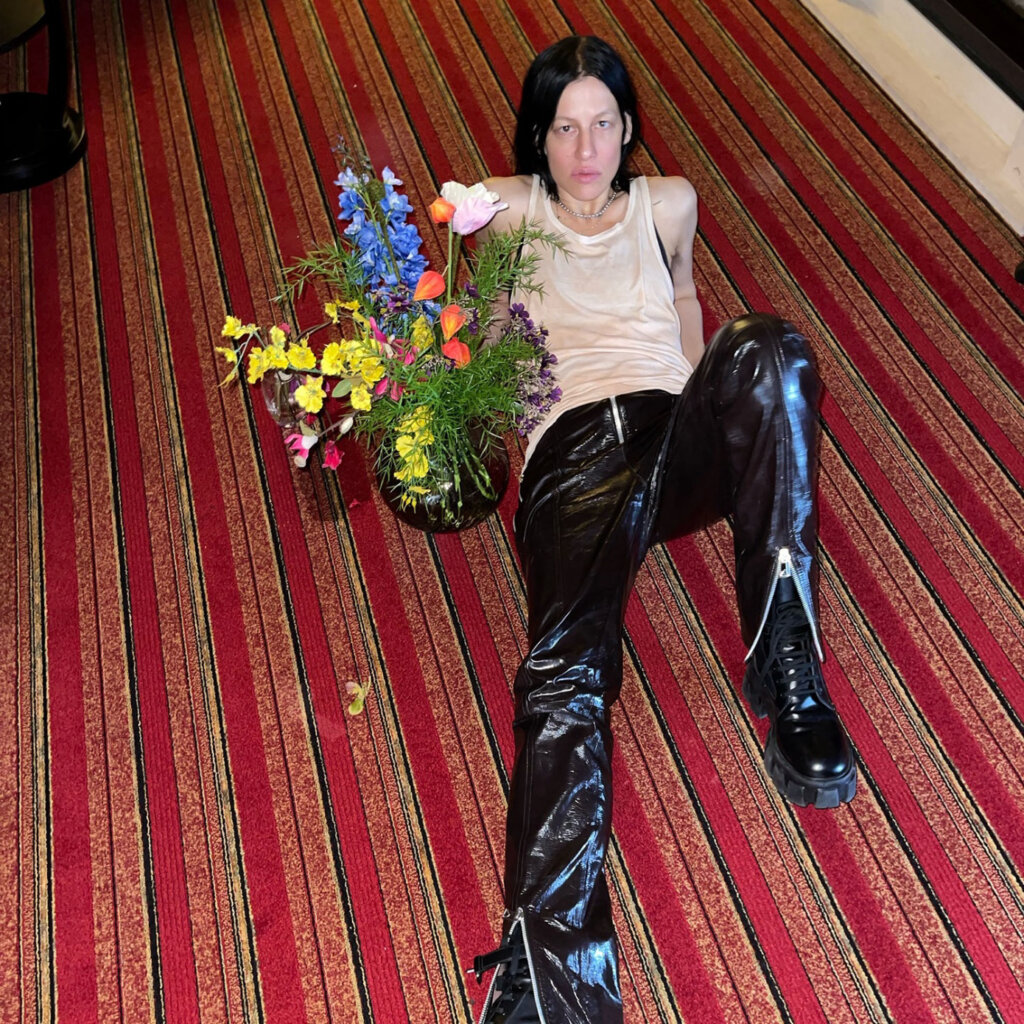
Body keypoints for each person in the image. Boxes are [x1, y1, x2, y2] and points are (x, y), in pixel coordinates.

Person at [470, 35, 856, 1024]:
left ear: (628, 127)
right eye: (564, 128)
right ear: (538, 137)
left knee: (770, 346)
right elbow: (485, 339)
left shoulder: (670, 203)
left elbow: (682, 295)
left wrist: (701, 408)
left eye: (602, 124)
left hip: (667, 428)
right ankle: (552, 968)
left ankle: (788, 668)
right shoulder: (504, 211)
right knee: (564, 668)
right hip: (570, 460)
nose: (585, 149)